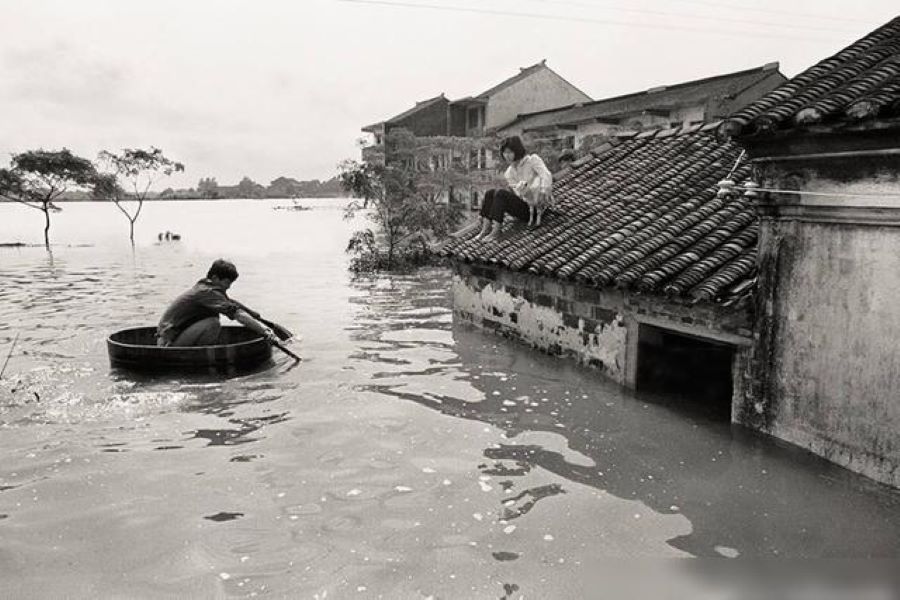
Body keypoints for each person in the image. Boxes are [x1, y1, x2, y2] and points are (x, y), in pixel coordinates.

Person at [156, 259, 275, 347]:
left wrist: (254, 315)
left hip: (173, 336)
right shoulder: (207, 292)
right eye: (227, 282)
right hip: (168, 343)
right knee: (213, 322)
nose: (228, 287)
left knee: (212, 319)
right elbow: (238, 314)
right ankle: (201, 355)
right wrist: (264, 332)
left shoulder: (206, 288)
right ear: (215, 278)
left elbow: (232, 303)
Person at [475, 136, 553, 241]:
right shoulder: (509, 173)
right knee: (490, 192)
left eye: (510, 152)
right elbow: (519, 194)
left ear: (517, 151)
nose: (507, 155)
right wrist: (523, 192)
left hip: (539, 207)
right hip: (524, 207)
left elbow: (546, 175)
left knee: (501, 193)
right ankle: (485, 228)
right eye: (504, 152)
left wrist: (543, 191)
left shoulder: (533, 160)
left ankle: (496, 231)